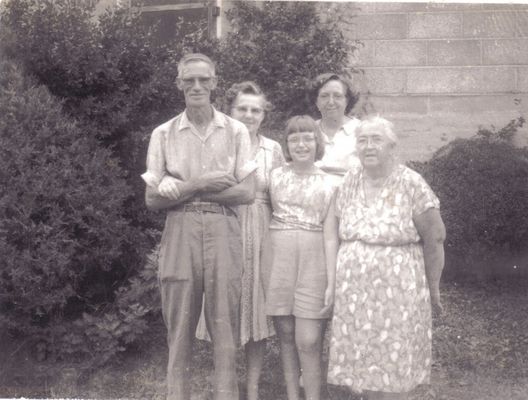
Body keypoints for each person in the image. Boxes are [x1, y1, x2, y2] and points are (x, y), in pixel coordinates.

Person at [142, 53, 256, 400]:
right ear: (179, 84)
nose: (197, 86)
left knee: (225, 327)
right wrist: (202, 182)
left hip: (223, 230)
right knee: (179, 330)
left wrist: (181, 187)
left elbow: (247, 191)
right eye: (189, 80)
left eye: (203, 80)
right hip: (180, 230)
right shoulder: (163, 134)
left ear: (214, 83)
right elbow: (153, 199)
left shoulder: (236, 131)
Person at [327, 116, 446, 400]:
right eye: (362, 140)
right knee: (364, 363)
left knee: (392, 363)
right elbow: (335, 224)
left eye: (376, 139)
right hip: (355, 293)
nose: (368, 146)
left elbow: (436, 237)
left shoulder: (411, 182)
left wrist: (434, 287)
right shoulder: (351, 179)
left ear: (392, 146)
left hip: (397, 292)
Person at [195, 81, 285, 400]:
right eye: (242, 108)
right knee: (225, 303)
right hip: (224, 225)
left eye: (255, 110)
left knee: (257, 305)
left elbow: (279, 196)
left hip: (261, 230)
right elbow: (204, 188)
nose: (249, 115)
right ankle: (227, 384)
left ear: (264, 114)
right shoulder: (217, 143)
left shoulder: (272, 149)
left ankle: (254, 387)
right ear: (230, 111)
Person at [262, 115, 339, 400]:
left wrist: (332, 280)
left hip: (314, 261)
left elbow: (331, 236)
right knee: (284, 332)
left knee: (308, 339)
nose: (301, 144)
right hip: (277, 257)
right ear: (287, 144)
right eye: (294, 139)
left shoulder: (332, 183)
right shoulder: (274, 177)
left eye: (307, 138)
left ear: (317, 142)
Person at [311, 72, 361, 180]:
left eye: (337, 96)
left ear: (347, 100)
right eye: (324, 96)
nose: (330, 102)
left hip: (351, 192)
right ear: (316, 101)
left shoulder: (362, 131)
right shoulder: (309, 130)